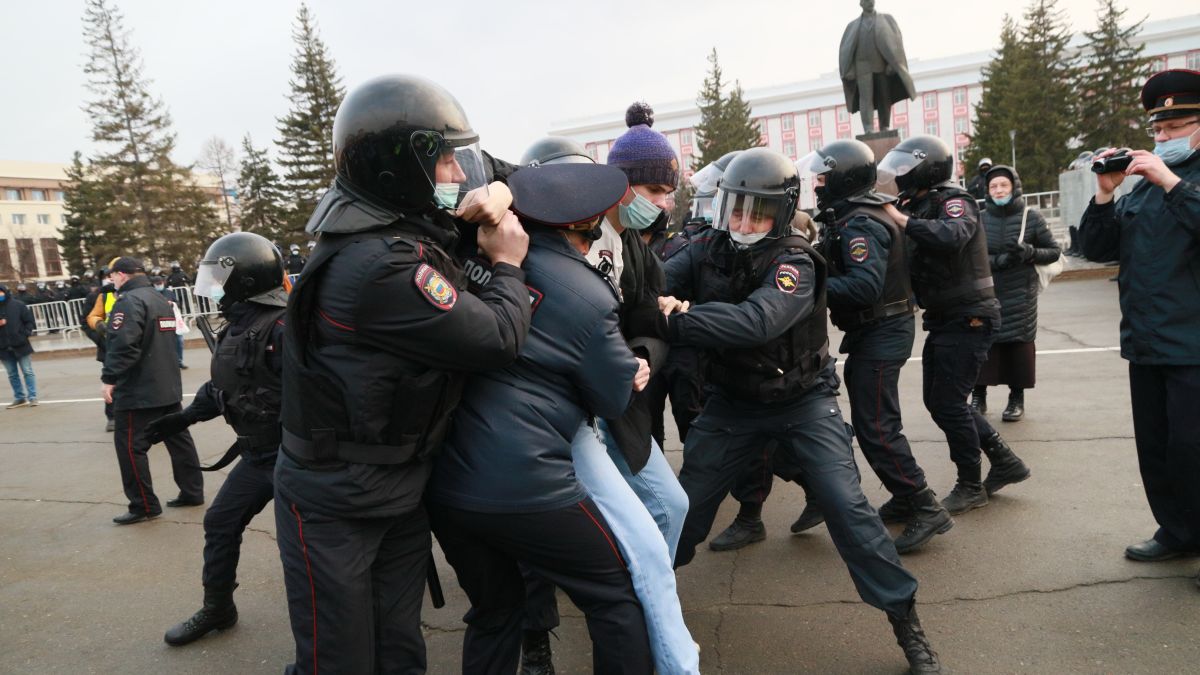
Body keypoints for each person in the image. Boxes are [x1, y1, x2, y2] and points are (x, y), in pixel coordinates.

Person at [273, 74, 533, 675]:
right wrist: (508, 265)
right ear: (399, 168)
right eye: (441, 161)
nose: (454, 175)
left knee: (399, 648)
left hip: (390, 487)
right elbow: (498, 337)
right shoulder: (381, 266)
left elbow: (515, 172)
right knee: (339, 658)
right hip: (339, 499)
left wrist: (497, 186)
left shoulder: (385, 229)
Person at [663, 148, 942, 674]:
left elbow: (756, 322)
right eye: (736, 209)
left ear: (783, 212)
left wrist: (678, 321)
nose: (743, 222)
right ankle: (641, 602)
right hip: (732, 403)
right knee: (683, 508)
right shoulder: (705, 248)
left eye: (758, 212)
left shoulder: (795, 261)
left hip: (803, 401)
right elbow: (656, 280)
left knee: (847, 506)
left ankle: (906, 621)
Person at [429, 161, 655, 675]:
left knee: (494, 611)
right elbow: (614, 399)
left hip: (445, 481)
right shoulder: (589, 295)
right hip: (526, 484)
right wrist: (632, 369)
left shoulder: (469, 249)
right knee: (615, 596)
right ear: (591, 223)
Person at [514, 121, 699, 675]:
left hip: (610, 403)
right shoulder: (520, 255)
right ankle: (540, 637)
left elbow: (642, 319)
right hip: (552, 418)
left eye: (668, 192)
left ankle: (641, 603)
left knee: (667, 510)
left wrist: (643, 351)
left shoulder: (631, 245)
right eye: (654, 191)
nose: (663, 203)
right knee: (538, 549)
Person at [796, 139, 951, 554]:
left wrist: (811, 287)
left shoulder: (860, 222)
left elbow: (863, 286)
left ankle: (924, 504)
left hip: (882, 330)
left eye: (825, 175)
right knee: (875, 422)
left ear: (844, 177)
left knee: (878, 427)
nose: (819, 182)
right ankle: (905, 498)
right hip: (875, 330)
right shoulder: (853, 214)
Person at [1078, 69, 1200, 575]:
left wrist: (1171, 181)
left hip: (1194, 343)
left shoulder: (1170, 181)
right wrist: (1106, 192)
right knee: (1158, 448)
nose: (1164, 139)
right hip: (1147, 342)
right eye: (1158, 130)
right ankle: (1177, 531)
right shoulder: (1144, 188)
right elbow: (1098, 249)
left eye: (1175, 128)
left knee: (1195, 450)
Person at [148, 232, 289, 646]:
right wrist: (185, 417)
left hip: (297, 458)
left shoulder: (284, 327)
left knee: (304, 549)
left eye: (219, 278)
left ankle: (336, 636)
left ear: (243, 280)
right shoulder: (238, 324)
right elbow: (228, 386)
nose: (213, 289)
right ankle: (218, 608)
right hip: (257, 455)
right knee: (220, 522)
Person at [879, 135, 1030, 516]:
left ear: (925, 167)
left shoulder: (955, 201)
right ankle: (1005, 461)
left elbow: (952, 235)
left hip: (970, 316)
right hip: (946, 318)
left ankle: (970, 485)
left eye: (904, 169)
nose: (899, 178)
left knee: (948, 403)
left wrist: (903, 220)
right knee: (940, 401)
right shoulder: (918, 202)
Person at [101, 256, 204, 525]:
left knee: (131, 447)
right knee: (179, 441)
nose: (111, 280)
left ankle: (144, 505)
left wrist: (110, 377)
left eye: (112, 275)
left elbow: (124, 345)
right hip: (166, 385)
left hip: (139, 390)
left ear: (121, 275)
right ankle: (192, 491)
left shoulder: (129, 301)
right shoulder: (159, 298)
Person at [972, 165, 1061, 422]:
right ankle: (978, 396)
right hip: (987, 293)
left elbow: (1053, 251)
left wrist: (1030, 253)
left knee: (1018, 347)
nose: (999, 190)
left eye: (1004, 185)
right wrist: (999, 261)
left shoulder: (1031, 217)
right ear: (987, 191)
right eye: (993, 186)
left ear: (1014, 187)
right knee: (982, 345)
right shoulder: (979, 218)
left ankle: (1016, 398)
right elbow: (971, 256)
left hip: (1020, 295)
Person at [838, 0, 916, 133]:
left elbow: (897, 44)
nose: (870, 2)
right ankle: (868, 129)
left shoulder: (887, 20)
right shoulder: (852, 26)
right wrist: (849, 70)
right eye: (867, 0)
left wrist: (893, 64)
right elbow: (845, 50)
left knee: (884, 96)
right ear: (861, 3)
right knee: (865, 98)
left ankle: (884, 126)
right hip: (862, 66)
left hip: (881, 64)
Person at [85, 266, 118, 431]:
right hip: (107, 348)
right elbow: (87, 322)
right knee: (110, 383)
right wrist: (100, 339)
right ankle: (112, 416)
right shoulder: (97, 296)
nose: (109, 278)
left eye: (111, 275)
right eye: (106, 276)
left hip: (129, 346)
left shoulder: (130, 293)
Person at [0, 284, 38, 408]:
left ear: (5, 292)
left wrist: (25, 334)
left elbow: (29, 321)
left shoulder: (18, 305)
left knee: (27, 371)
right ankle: (19, 397)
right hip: (3, 346)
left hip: (20, 344)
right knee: (12, 374)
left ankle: (32, 397)